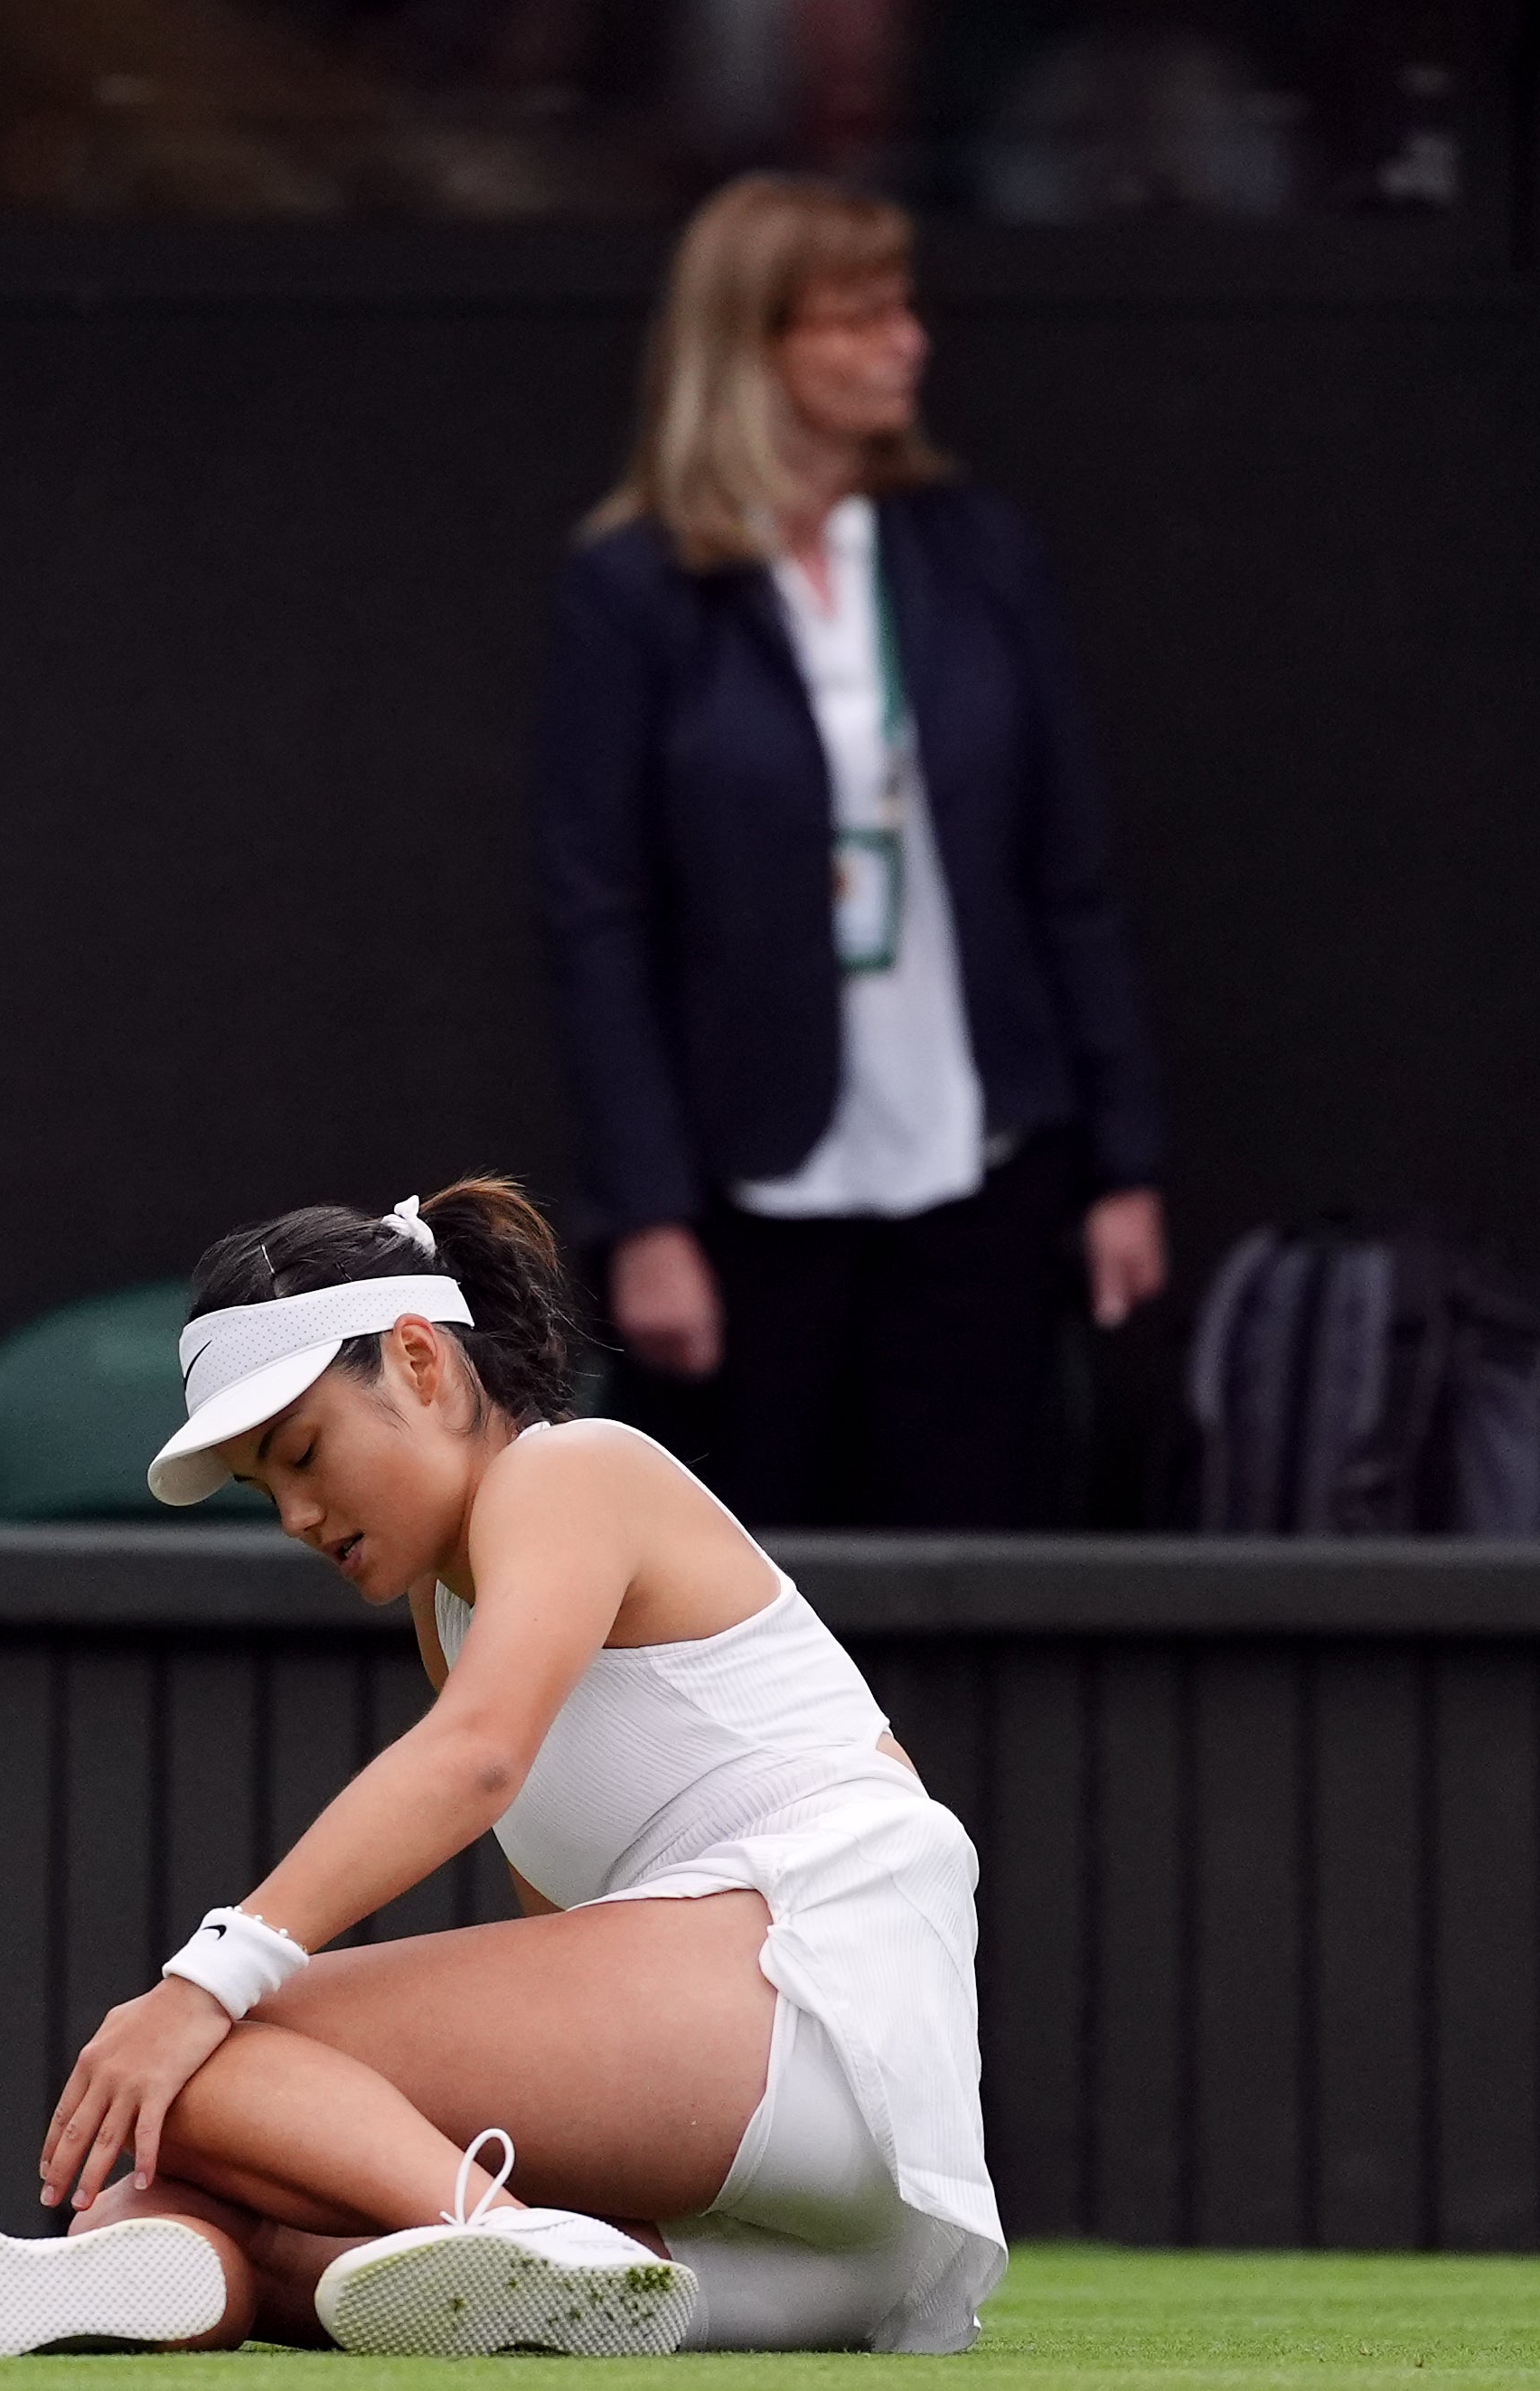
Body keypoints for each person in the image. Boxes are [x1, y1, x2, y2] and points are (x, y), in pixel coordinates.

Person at [0, 1181, 999, 2360]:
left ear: (423, 1363)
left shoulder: (573, 1466)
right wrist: (237, 2188)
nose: (291, 1514)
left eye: (302, 1451)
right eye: (261, 1485)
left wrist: (202, 1983)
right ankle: (184, 2261)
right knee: (228, 2194)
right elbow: (578, 1963)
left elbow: (476, 1757)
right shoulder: (450, 1611)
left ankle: (500, 2235)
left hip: (824, 2027)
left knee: (206, 2062)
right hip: (813, 2243)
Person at [534, 173, 1168, 1528]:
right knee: (754, 1586)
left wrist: (1123, 1157)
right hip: (751, 1182)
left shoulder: (973, 553)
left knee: (973, 1549)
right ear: (752, 348)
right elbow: (597, 918)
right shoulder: (640, 586)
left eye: (904, 309)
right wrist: (647, 1215)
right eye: (859, 317)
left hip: (975, 1152)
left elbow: (1069, 871)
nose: (908, 343)